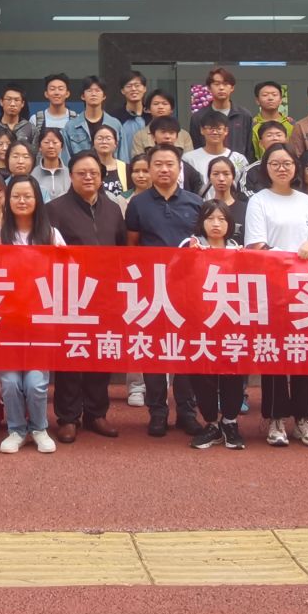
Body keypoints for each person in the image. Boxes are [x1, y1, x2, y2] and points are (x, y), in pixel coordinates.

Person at [244, 144, 308, 447]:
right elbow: (257, 246)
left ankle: (305, 418)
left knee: (306, 354)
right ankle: (276, 417)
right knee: (275, 353)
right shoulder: (259, 201)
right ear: (266, 168)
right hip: (273, 288)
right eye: (275, 163)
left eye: (287, 163)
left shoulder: (307, 201)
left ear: (296, 168)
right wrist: (291, 257)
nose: (282, 168)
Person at [123, 141, 208, 435]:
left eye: (170, 164)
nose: (164, 169)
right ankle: (157, 412)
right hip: (153, 289)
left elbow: (205, 245)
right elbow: (132, 246)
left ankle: (187, 411)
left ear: (179, 168)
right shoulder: (138, 204)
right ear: (149, 169)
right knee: (154, 351)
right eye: (157, 164)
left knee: (187, 350)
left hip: (189, 289)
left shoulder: (196, 203)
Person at [45, 152, 125, 441]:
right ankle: (68, 417)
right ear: (71, 176)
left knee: (101, 354)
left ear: (102, 176)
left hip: (105, 295)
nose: (88, 177)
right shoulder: (54, 209)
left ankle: (96, 413)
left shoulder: (113, 209)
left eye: (94, 173)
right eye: (82, 173)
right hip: (69, 295)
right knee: (70, 355)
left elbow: (121, 250)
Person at [0, 175, 61, 454]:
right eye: (16, 196)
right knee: (10, 383)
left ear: (38, 200)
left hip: (39, 320)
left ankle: (39, 428)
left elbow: (66, 272)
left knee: (35, 383)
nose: (22, 201)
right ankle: (16, 429)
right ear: (8, 201)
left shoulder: (52, 234)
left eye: (28, 196)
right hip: (7, 321)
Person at [182, 200, 250, 449]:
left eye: (222, 219)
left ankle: (230, 422)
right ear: (202, 222)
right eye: (210, 218)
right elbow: (172, 274)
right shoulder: (190, 245)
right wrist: (187, 257)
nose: (216, 224)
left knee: (233, 373)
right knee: (202, 374)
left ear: (230, 223)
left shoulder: (239, 250)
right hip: (199, 322)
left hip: (232, 322)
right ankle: (211, 423)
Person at [22, 73, 88, 156]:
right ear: (46, 94)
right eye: (52, 89)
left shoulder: (77, 120)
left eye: (60, 89)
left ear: (67, 94)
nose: (56, 93)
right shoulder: (36, 120)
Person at [185, 108, 248, 190]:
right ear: (202, 130)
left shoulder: (239, 159)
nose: (214, 132)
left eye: (219, 128)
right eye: (210, 128)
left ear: (226, 130)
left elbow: (243, 188)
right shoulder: (189, 159)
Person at [203, 67, 252, 156]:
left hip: (237, 163)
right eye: (217, 84)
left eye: (225, 84)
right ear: (209, 88)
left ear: (232, 88)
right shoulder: (199, 116)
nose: (221, 88)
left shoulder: (244, 115)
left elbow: (249, 148)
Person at [204, 153, 247, 239]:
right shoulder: (204, 209)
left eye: (226, 174)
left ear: (233, 177)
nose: (221, 179)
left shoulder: (246, 209)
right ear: (209, 178)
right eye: (216, 174)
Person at [247, 81, 292, 159]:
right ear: (257, 100)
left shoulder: (291, 124)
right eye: (265, 95)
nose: (270, 98)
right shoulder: (251, 125)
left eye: (274, 95)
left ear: (281, 100)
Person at [76, 76, 119, 150]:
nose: (93, 94)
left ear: (104, 96)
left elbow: (122, 154)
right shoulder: (71, 126)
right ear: (83, 96)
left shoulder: (115, 124)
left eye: (97, 90)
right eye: (89, 91)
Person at [33, 129, 72, 200]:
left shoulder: (70, 174)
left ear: (61, 147)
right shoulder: (33, 174)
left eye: (55, 142)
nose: (51, 146)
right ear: (39, 147)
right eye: (46, 142)